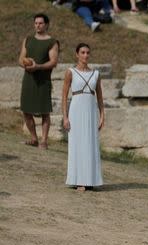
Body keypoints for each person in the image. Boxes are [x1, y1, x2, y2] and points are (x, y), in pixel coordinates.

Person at [62, 43, 104, 191]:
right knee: (77, 144)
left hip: (91, 111)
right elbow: (64, 96)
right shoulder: (70, 72)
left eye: (87, 53)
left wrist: (102, 115)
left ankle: (90, 179)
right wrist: (65, 117)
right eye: (83, 52)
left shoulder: (96, 74)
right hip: (76, 111)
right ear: (77, 54)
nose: (85, 55)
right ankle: (78, 179)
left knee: (91, 144)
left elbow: (99, 97)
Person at [19, 13, 59, 150]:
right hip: (28, 79)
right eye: (36, 23)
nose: (38, 25)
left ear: (46, 25)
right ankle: (34, 138)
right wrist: (26, 65)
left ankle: (44, 141)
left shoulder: (52, 42)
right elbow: (21, 59)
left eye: (40, 23)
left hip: (43, 80)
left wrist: (38, 67)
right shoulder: (28, 39)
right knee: (26, 110)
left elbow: (53, 62)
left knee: (44, 111)